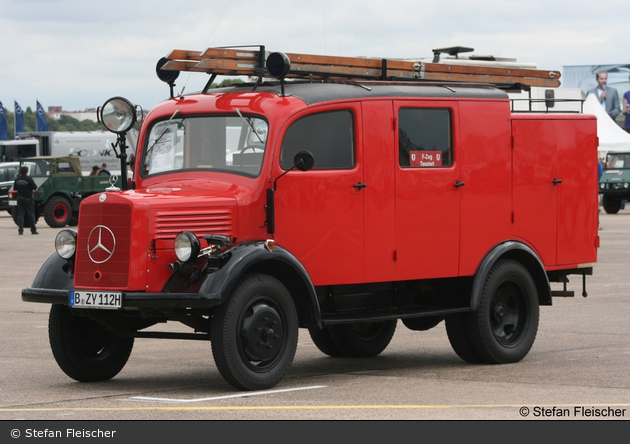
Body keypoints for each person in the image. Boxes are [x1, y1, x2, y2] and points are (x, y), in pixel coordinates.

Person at [13, 166, 38, 235]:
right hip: (27, 199)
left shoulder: (17, 179)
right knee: (31, 214)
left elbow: (15, 189)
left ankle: (20, 231)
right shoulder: (29, 179)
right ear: (27, 172)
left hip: (19, 198)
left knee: (21, 214)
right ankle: (33, 230)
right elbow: (35, 188)